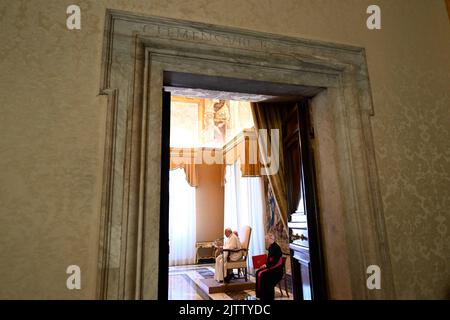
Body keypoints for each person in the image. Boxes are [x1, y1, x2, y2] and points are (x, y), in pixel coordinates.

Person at [255, 233, 283, 301]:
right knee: (258, 272)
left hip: (277, 270)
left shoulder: (276, 248)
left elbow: (276, 261)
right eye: (266, 239)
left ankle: (267, 297)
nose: (266, 241)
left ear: (271, 239)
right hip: (272, 267)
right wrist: (265, 265)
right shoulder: (271, 247)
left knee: (263, 274)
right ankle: (261, 295)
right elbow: (269, 259)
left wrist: (266, 265)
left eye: (267, 239)